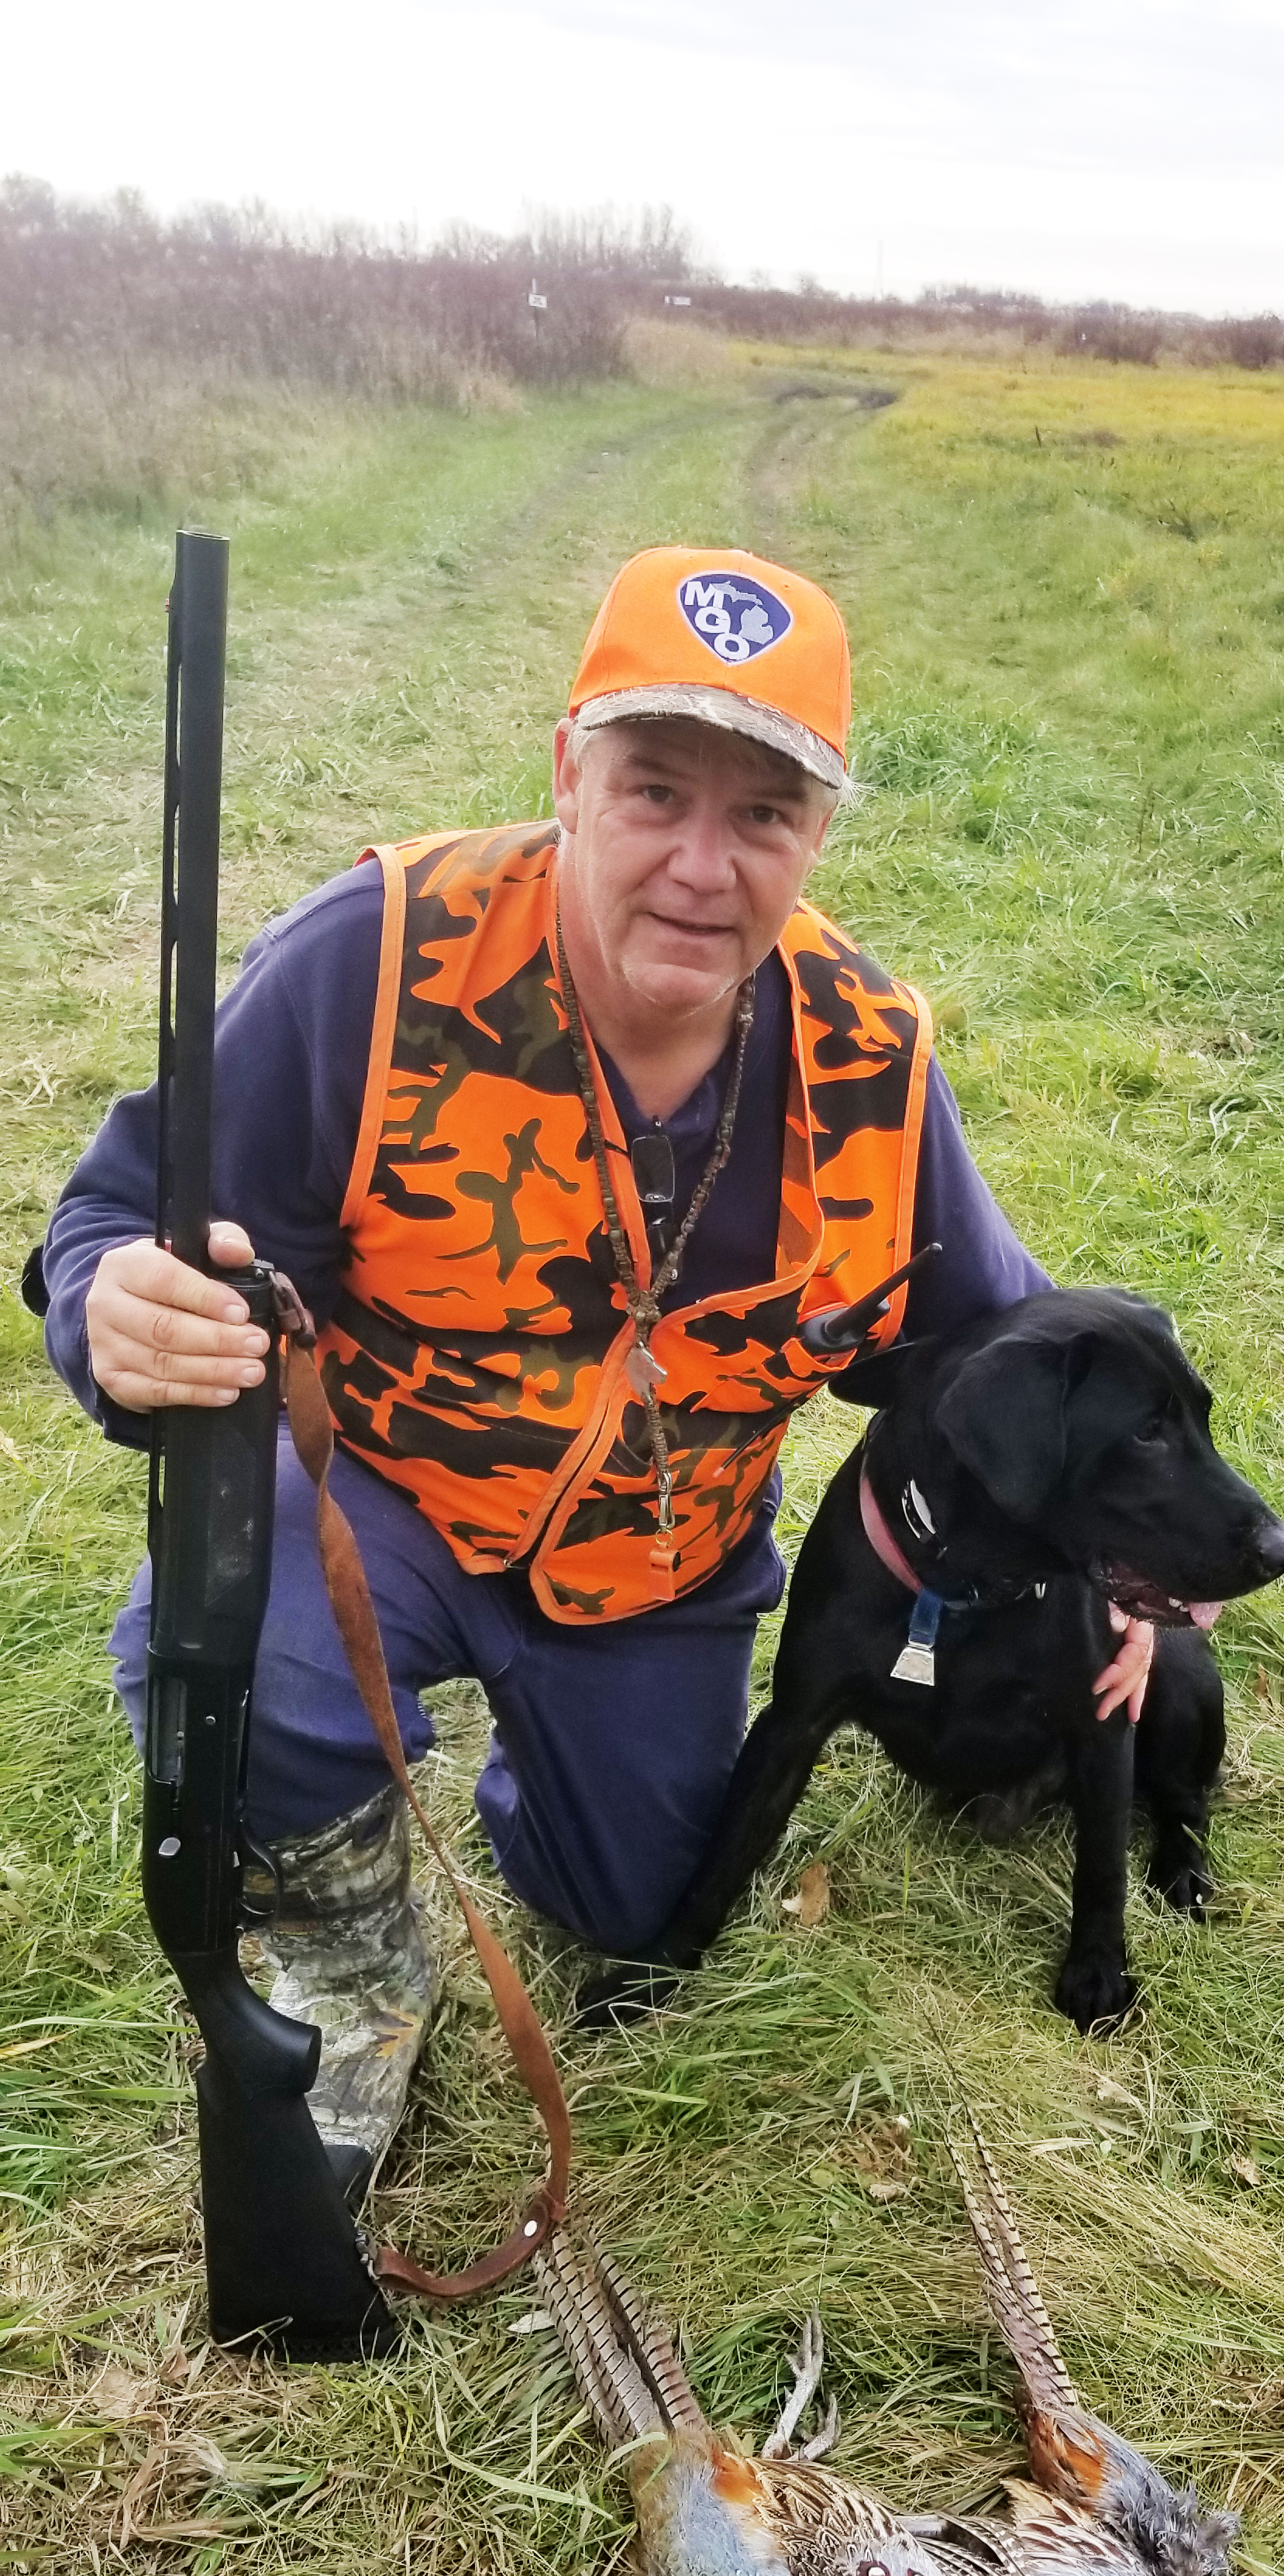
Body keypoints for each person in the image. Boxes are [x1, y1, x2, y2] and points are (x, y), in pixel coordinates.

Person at [32, 544, 1151, 2200]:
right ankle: (354, 1966)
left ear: (820, 834)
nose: (704, 866)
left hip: (663, 1565)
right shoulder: (376, 956)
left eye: (765, 813)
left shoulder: (869, 1058)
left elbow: (1002, 1338)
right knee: (234, 1638)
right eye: (654, 792)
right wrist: (111, 1305)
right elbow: (119, 1208)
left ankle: (540, 1777)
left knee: (640, 1918)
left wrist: (1108, 1565)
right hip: (385, 1501)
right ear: (567, 772)